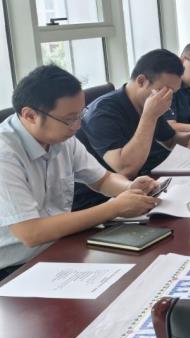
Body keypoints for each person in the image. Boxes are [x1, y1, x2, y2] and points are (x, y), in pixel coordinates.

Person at [0, 66, 160, 280]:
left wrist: (130, 188)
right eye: (69, 119)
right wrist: (114, 207)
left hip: (61, 245)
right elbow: (31, 233)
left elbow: (102, 179)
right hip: (15, 269)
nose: (77, 126)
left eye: (80, 114)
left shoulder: (62, 138)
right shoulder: (5, 155)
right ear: (30, 115)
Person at [78, 49, 190, 183]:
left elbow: (170, 140)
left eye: (173, 93)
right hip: (110, 192)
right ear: (142, 81)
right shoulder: (101, 113)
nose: (168, 98)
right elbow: (126, 169)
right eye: (164, 91)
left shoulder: (148, 101)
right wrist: (149, 116)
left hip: (149, 177)